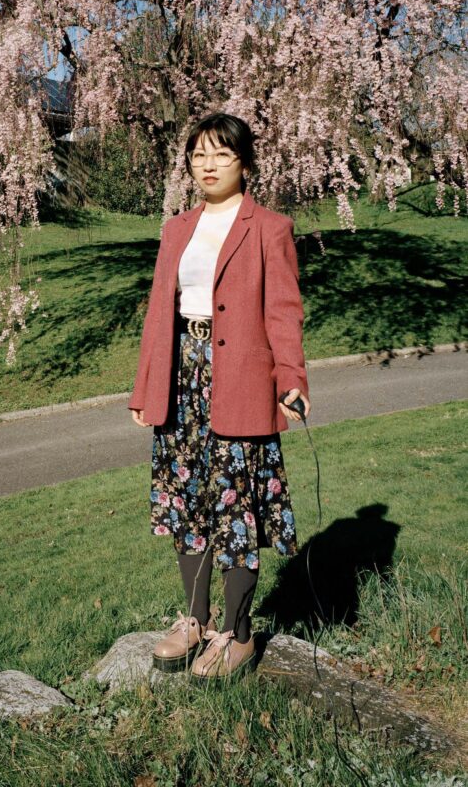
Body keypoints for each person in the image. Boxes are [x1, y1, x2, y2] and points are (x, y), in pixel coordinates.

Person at [128, 111, 311, 681]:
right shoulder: (176, 229)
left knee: (235, 509)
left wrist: (291, 379)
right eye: (199, 154)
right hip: (182, 381)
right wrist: (146, 386)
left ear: (245, 163)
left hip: (242, 381)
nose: (208, 165)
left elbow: (284, 312)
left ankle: (237, 632)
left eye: (222, 154)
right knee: (187, 503)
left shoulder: (269, 228)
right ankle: (195, 620)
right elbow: (159, 313)